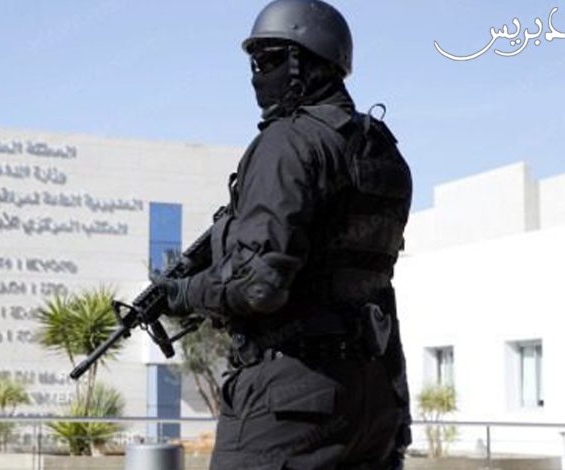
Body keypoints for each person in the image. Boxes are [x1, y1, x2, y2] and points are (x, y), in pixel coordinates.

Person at [155, 0, 413, 468]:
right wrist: (398, 404)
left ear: (305, 62)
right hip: (374, 400)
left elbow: (259, 285)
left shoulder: (288, 141)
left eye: (269, 60)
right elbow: (376, 289)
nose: (258, 75)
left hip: (290, 401)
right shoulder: (382, 151)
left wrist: (183, 293)